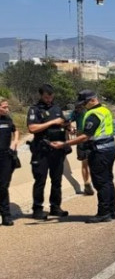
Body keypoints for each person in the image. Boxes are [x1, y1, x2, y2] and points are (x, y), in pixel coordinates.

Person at [50, 90, 115, 223]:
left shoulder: (93, 115)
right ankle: (112, 210)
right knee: (108, 180)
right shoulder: (105, 110)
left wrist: (65, 143)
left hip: (99, 152)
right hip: (110, 148)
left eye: (85, 103)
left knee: (101, 183)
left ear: (92, 100)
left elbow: (85, 136)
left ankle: (103, 213)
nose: (84, 106)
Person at [27, 84, 69, 220]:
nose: (49, 99)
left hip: (57, 150)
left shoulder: (56, 108)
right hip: (42, 150)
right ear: (41, 95)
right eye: (46, 97)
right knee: (40, 180)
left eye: (51, 96)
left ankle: (55, 207)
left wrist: (67, 126)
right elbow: (32, 128)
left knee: (57, 180)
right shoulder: (35, 109)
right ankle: (37, 208)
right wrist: (51, 123)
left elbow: (62, 122)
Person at [0, 98, 20, 226]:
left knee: (3, 186)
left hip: (6, 156)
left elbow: (15, 130)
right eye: (4, 107)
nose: (7, 109)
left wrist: (15, 141)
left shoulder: (8, 120)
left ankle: (6, 216)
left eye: (7, 107)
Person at [68, 103, 95, 195]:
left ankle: (87, 183)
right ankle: (89, 183)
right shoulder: (91, 110)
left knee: (84, 163)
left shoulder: (76, 111)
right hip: (90, 138)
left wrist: (71, 128)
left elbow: (67, 121)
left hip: (80, 139)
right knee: (92, 162)